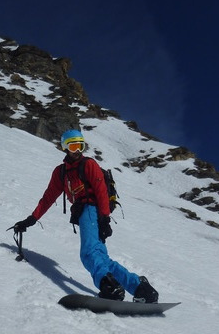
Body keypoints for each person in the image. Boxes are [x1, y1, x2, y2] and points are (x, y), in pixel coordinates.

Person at [13, 129, 159, 302]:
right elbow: (48, 197)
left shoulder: (88, 164)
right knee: (102, 259)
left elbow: (101, 191)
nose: (77, 151)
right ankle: (140, 288)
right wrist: (32, 219)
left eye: (80, 146)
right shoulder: (60, 173)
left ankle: (109, 287)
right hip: (89, 213)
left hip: (91, 211)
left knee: (88, 254)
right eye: (73, 146)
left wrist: (104, 219)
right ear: (65, 148)